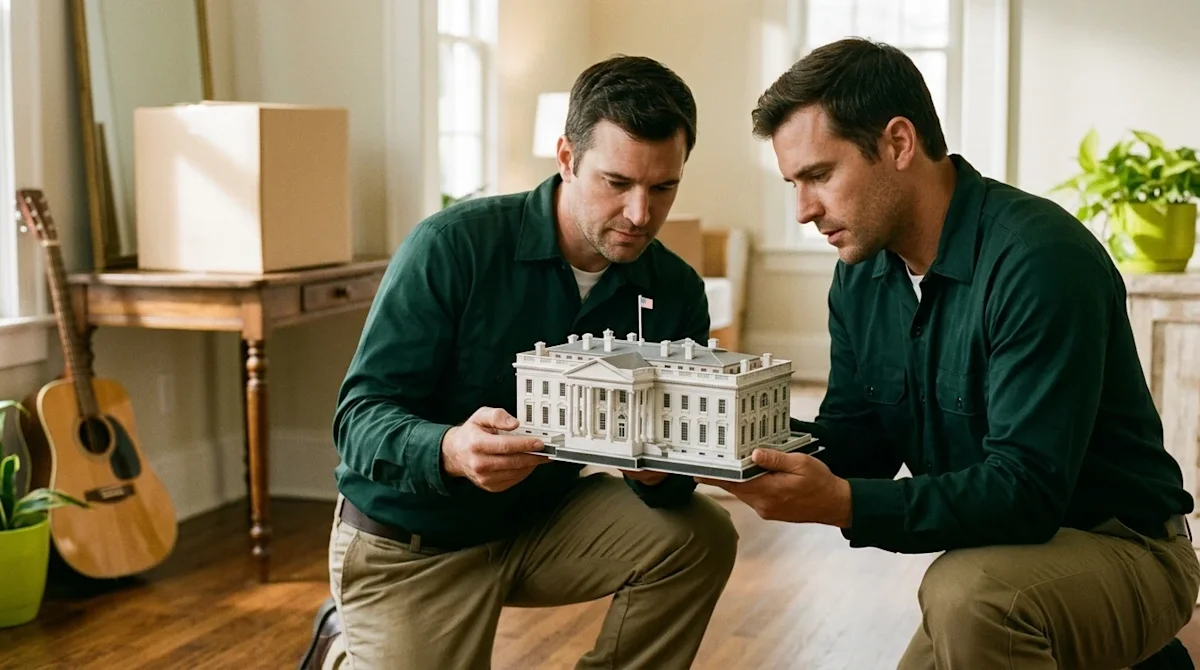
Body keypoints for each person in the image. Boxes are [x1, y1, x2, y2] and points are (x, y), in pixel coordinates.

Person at [699, 37, 1200, 669]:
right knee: (969, 595)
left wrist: (845, 503)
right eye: (793, 183)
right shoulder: (860, 277)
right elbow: (857, 442)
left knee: (967, 598)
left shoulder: (1039, 260)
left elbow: (1025, 492)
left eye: (820, 175)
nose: (803, 211)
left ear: (898, 143)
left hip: (1126, 547)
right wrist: (730, 447)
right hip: (1003, 557)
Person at [298, 54, 739, 670]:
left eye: (663, 187)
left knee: (701, 536)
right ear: (566, 158)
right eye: (617, 183)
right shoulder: (452, 246)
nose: (641, 214)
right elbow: (358, 419)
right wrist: (451, 448)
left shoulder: (675, 290)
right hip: (411, 546)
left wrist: (659, 471)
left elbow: (675, 480)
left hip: (539, 523)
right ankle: (347, 653)